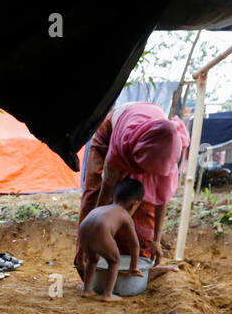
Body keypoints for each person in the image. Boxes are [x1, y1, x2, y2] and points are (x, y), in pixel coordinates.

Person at [75, 101, 189, 282]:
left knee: (142, 214)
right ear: (137, 159)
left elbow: (161, 199)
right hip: (115, 132)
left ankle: (137, 272)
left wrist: (156, 241)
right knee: (94, 198)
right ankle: (87, 260)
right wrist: (88, 239)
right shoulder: (120, 148)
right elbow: (104, 191)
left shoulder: (168, 155)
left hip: (151, 142)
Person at [77, 178, 144, 301]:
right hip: (101, 229)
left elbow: (86, 231)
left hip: (83, 229)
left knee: (92, 259)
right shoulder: (125, 215)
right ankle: (107, 294)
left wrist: (80, 254)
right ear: (135, 204)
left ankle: (87, 290)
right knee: (114, 260)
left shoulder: (103, 208)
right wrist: (133, 266)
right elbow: (134, 245)